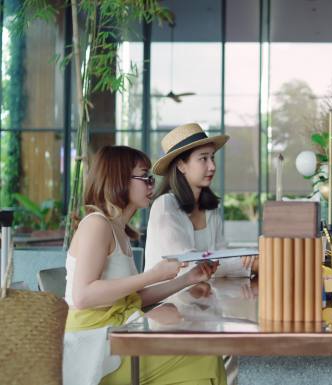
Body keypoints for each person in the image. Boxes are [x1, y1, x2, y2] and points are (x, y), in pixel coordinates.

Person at [63, 145, 225, 385]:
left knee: (205, 352)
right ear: (120, 179)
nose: (151, 185)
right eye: (145, 177)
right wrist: (152, 275)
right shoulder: (96, 225)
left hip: (117, 336)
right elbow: (83, 296)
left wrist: (187, 279)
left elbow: (133, 296)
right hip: (92, 349)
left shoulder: (118, 230)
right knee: (204, 356)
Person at [145, 123, 257, 278]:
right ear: (181, 166)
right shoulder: (165, 205)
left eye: (212, 158)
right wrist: (248, 262)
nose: (212, 166)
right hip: (166, 300)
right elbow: (187, 264)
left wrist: (247, 259)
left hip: (202, 297)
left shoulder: (211, 208)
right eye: (203, 158)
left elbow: (221, 254)